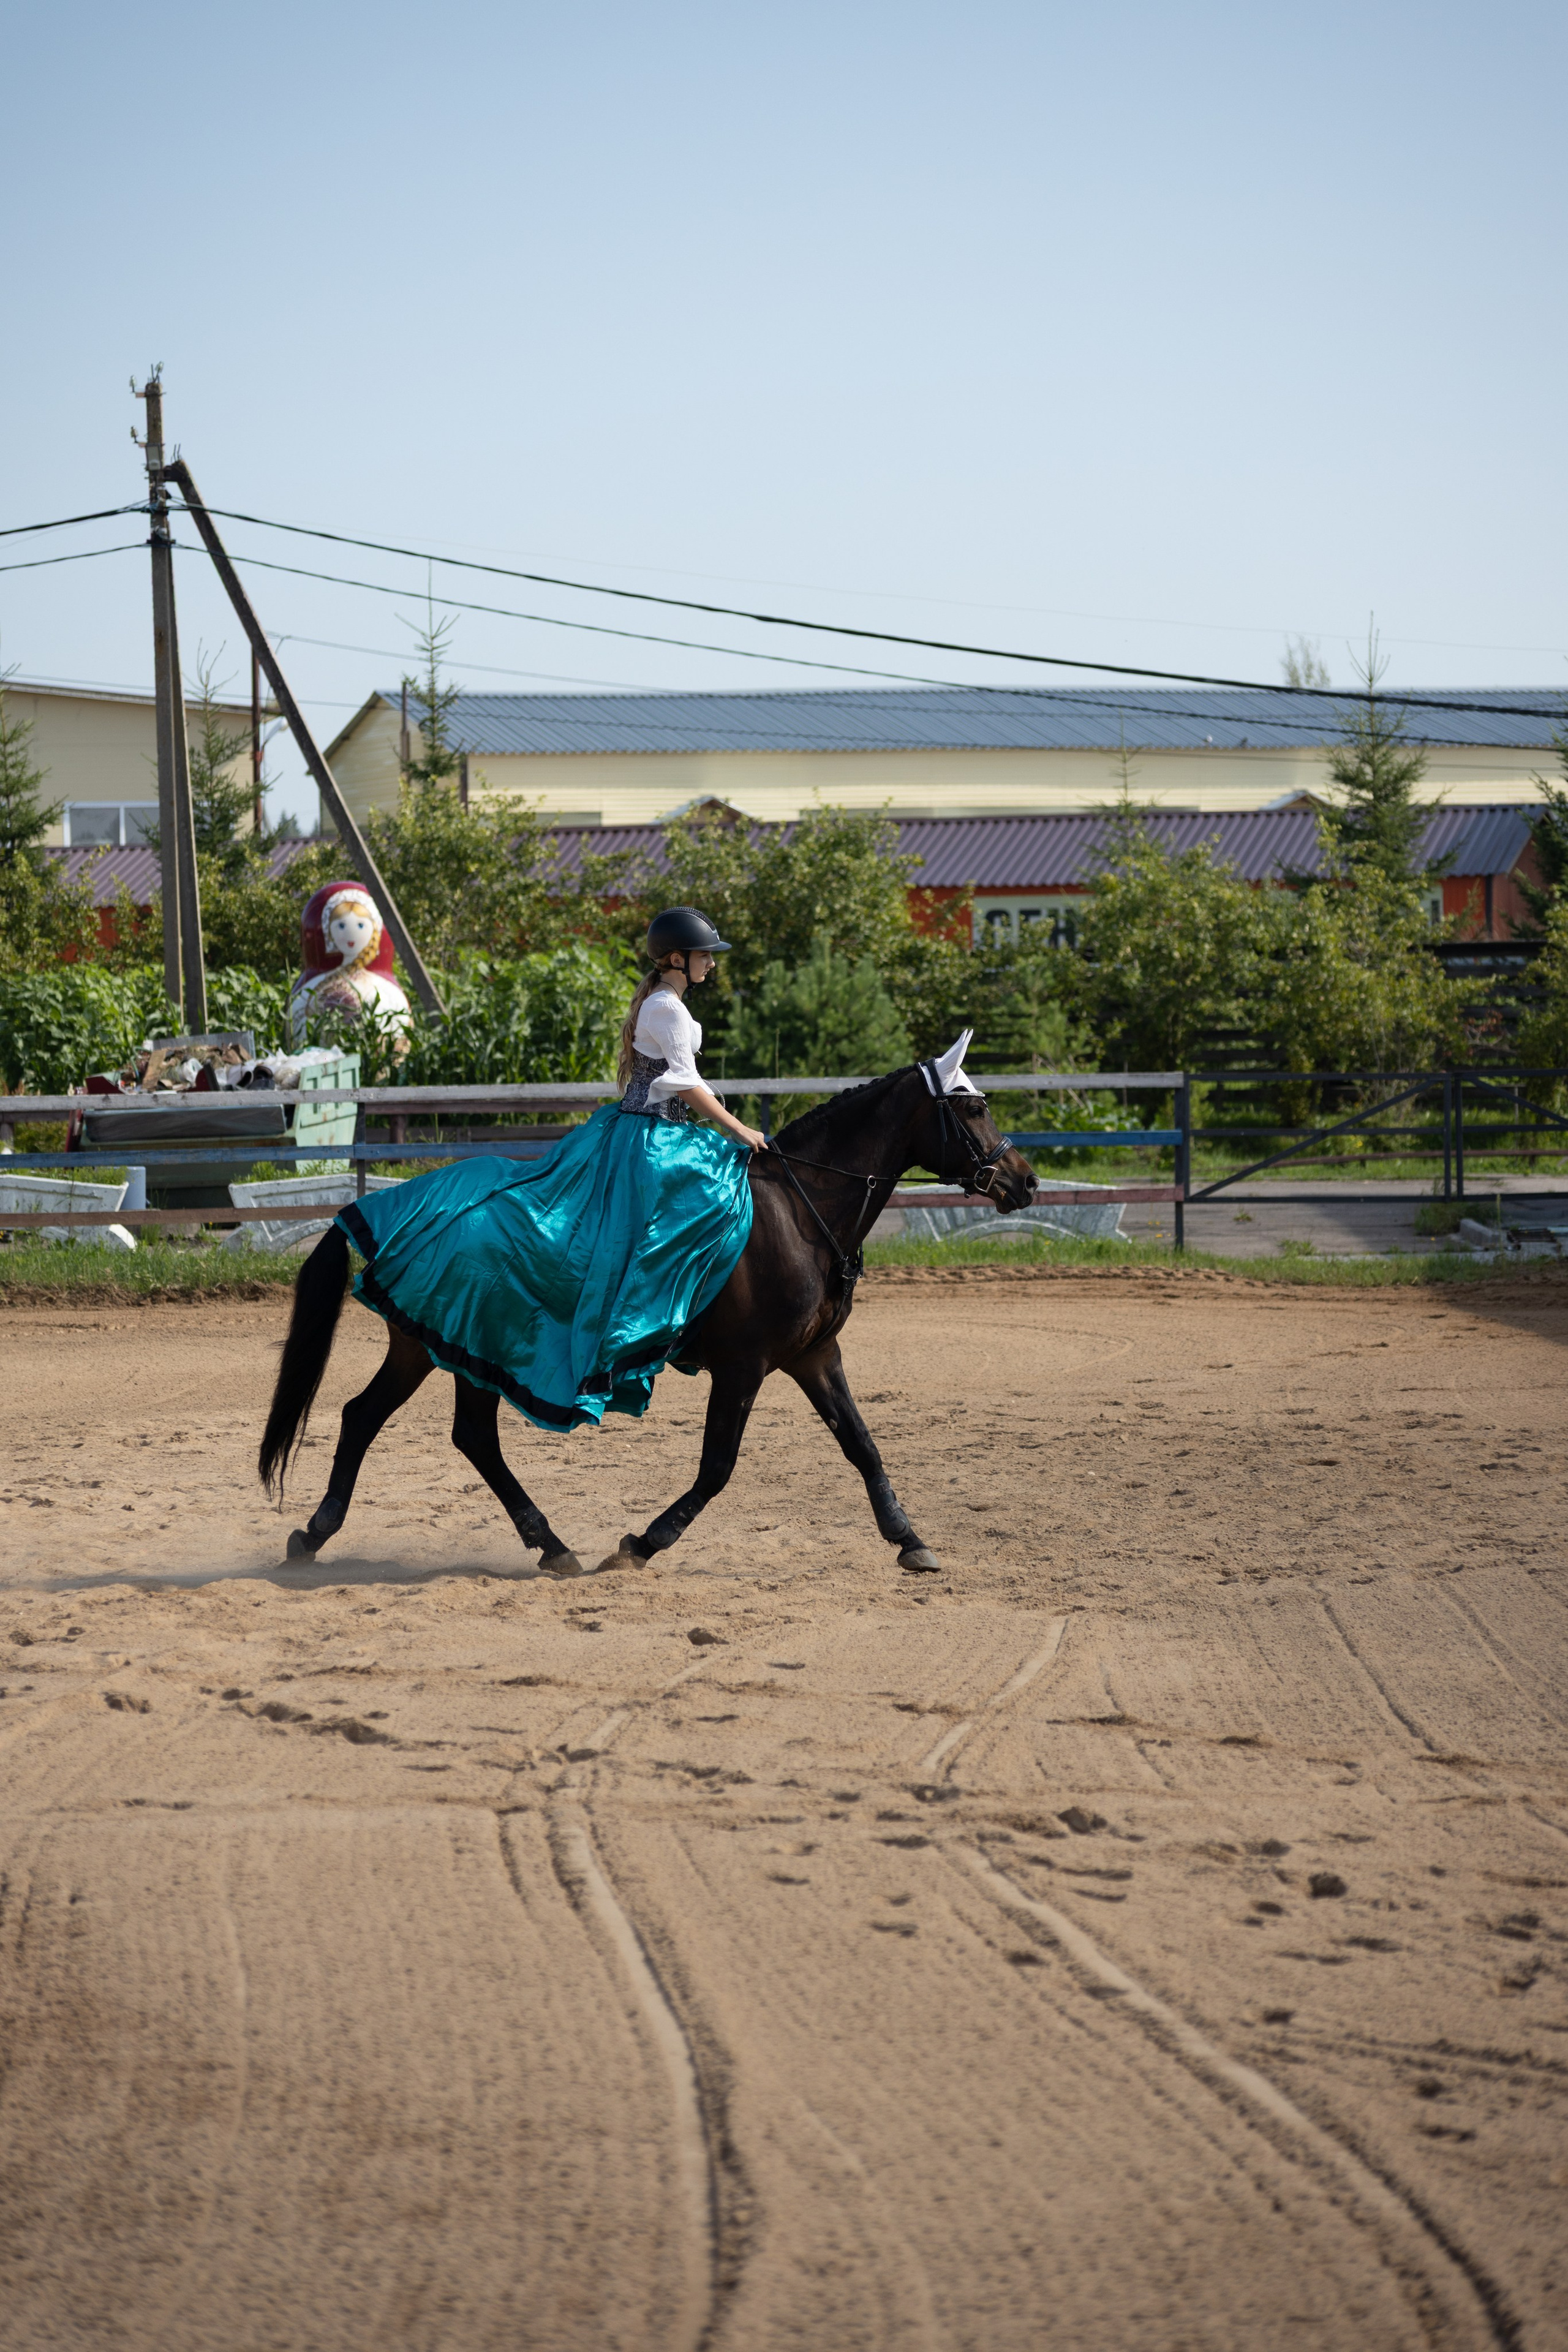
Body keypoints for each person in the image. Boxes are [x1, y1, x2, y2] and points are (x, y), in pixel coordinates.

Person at [336, 909, 765, 1433]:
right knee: (694, 1208)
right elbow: (685, 1084)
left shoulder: (667, 1002)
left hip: (649, 1130)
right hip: (650, 1138)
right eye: (704, 956)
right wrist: (738, 1128)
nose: (710, 965)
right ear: (678, 959)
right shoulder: (667, 1009)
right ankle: (656, 1330)